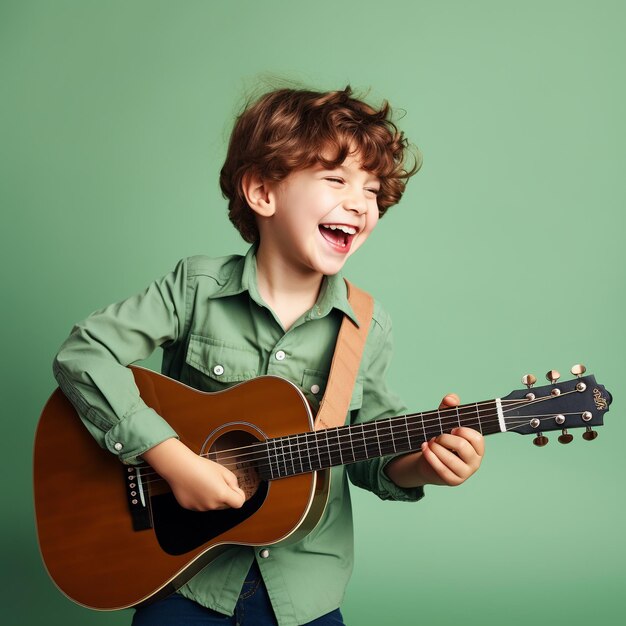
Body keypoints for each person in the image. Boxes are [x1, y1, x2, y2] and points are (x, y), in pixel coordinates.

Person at [53, 85, 485, 626]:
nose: (360, 203)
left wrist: (422, 464)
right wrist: (172, 459)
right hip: (182, 579)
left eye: (373, 192)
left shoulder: (365, 325)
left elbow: (371, 446)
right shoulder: (195, 288)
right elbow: (84, 352)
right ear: (261, 191)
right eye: (336, 180)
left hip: (302, 595)